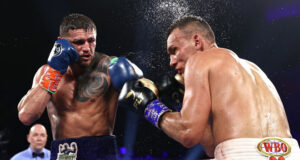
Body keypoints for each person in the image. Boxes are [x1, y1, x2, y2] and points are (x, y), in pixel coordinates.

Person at [119, 15, 300, 160]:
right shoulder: (254, 69)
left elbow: (187, 134)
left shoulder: (199, 60)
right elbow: (213, 147)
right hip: (288, 153)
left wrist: (148, 105)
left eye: (174, 50)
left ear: (197, 42)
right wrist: (182, 103)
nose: (171, 61)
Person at [17, 13, 142, 160]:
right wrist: (54, 70)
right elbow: (26, 116)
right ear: (62, 42)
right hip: (64, 153)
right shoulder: (46, 72)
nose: (87, 48)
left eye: (91, 41)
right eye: (79, 42)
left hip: (102, 152)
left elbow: (144, 95)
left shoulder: (109, 67)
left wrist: (135, 72)